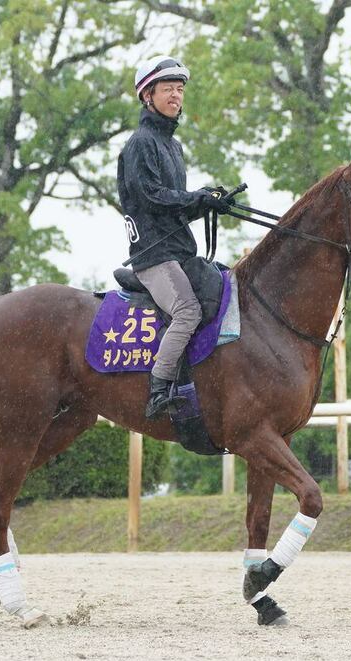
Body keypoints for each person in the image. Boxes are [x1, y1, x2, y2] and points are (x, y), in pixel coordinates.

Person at [117, 55, 231, 419]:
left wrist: (210, 203)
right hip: (154, 257)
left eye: (180, 90)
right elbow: (151, 197)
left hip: (178, 252)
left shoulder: (173, 147)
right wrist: (197, 196)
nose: (176, 96)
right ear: (147, 95)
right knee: (187, 310)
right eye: (168, 89)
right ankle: (158, 390)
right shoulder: (139, 144)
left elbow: (175, 207)